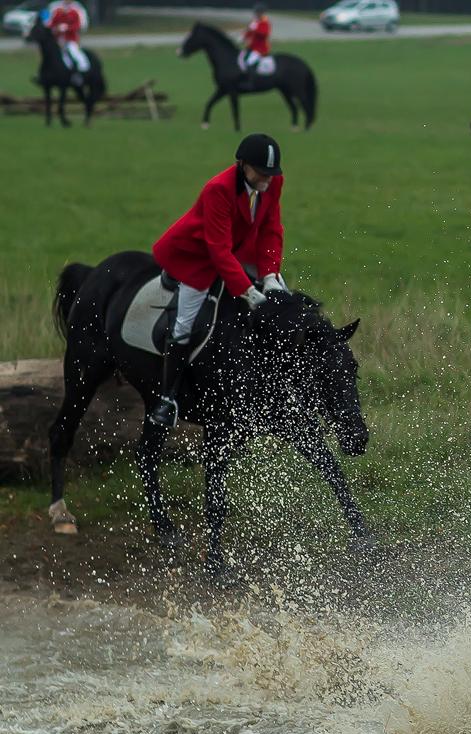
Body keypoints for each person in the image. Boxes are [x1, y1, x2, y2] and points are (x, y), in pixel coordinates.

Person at [148, 133, 288, 428]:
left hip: (240, 249)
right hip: (198, 255)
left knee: (284, 307)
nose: (267, 179)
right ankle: (167, 399)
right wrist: (249, 292)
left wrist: (270, 275)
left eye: (271, 173)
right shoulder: (218, 189)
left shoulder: (273, 182)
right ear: (242, 165)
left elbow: (271, 229)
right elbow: (217, 250)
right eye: (261, 173)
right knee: (184, 323)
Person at [47, 0, 89, 80]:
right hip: (58, 41)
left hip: (70, 40)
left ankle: (81, 71)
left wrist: (67, 28)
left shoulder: (74, 12)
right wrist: (55, 28)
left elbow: (77, 26)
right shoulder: (57, 12)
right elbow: (51, 24)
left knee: (74, 53)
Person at [241, 4, 272, 80]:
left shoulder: (265, 23)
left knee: (249, 62)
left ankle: (251, 79)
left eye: (259, 12)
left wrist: (255, 29)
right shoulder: (255, 22)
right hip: (251, 47)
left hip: (260, 49)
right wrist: (244, 36)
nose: (257, 14)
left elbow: (264, 34)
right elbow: (249, 33)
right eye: (256, 12)